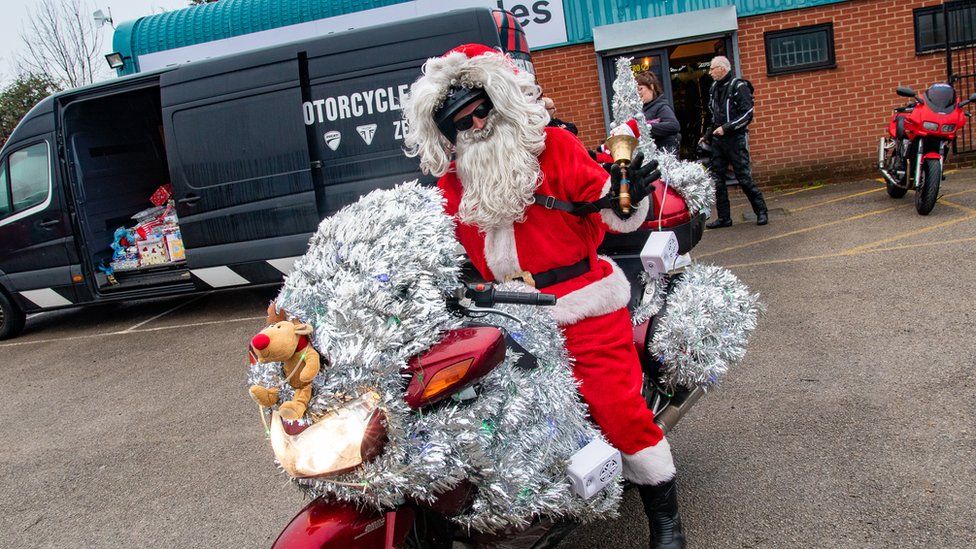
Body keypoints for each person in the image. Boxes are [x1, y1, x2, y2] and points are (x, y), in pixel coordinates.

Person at [403, 43, 686, 549]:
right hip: (505, 315)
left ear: (500, 100)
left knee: (615, 404)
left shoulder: (552, 146)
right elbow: (437, 245)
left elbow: (610, 210)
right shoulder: (452, 180)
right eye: (458, 122)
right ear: (442, 132)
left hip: (581, 301)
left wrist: (629, 195)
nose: (474, 126)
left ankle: (664, 518)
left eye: (479, 110)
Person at [703, 56, 768, 227]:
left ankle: (761, 211)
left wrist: (727, 128)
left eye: (712, 68)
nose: (710, 72)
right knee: (718, 180)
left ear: (722, 69)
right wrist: (708, 135)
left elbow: (748, 115)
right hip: (718, 141)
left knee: (743, 177)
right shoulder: (714, 88)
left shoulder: (739, 86)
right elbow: (714, 115)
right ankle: (724, 218)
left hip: (734, 140)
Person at [635, 71, 681, 154]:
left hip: (664, 157)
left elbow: (674, 126)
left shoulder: (661, 106)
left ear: (651, 87)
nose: (638, 93)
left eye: (640, 89)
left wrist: (646, 127)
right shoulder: (639, 109)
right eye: (636, 90)